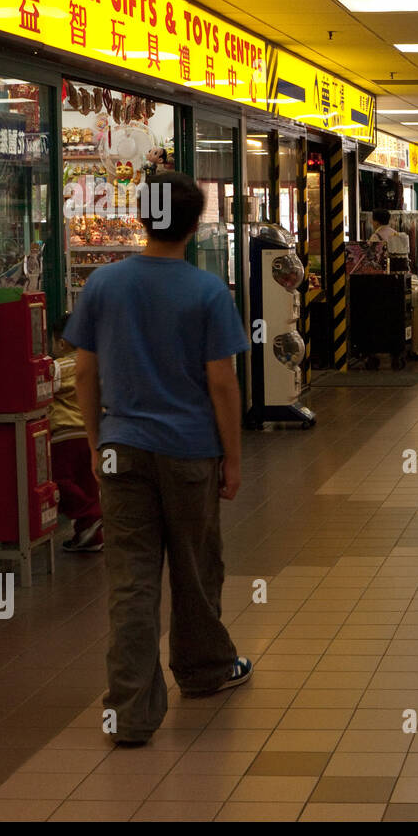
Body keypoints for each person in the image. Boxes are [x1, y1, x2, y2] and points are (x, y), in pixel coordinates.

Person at [65, 171, 252, 747]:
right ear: (194, 225)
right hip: (190, 452)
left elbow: (85, 372)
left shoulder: (103, 284)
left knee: (131, 580)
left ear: (142, 217)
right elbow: (222, 383)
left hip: (122, 451)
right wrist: (233, 458)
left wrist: (96, 443)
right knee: (195, 570)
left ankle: (129, 712)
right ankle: (204, 672)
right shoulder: (207, 292)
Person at [49, 314, 102, 553]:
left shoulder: (58, 368)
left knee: (59, 482)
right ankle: (90, 536)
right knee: (88, 485)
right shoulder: (98, 364)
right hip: (91, 435)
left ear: (61, 343)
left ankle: (91, 515)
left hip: (64, 436)